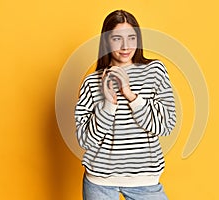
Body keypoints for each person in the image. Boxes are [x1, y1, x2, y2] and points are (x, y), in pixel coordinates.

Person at [75, 10, 176, 200]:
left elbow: (166, 125)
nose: (125, 46)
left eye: (131, 38)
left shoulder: (154, 71)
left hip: (145, 181)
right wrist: (109, 104)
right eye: (116, 39)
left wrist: (131, 96)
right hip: (100, 182)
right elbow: (85, 140)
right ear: (106, 41)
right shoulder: (91, 82)